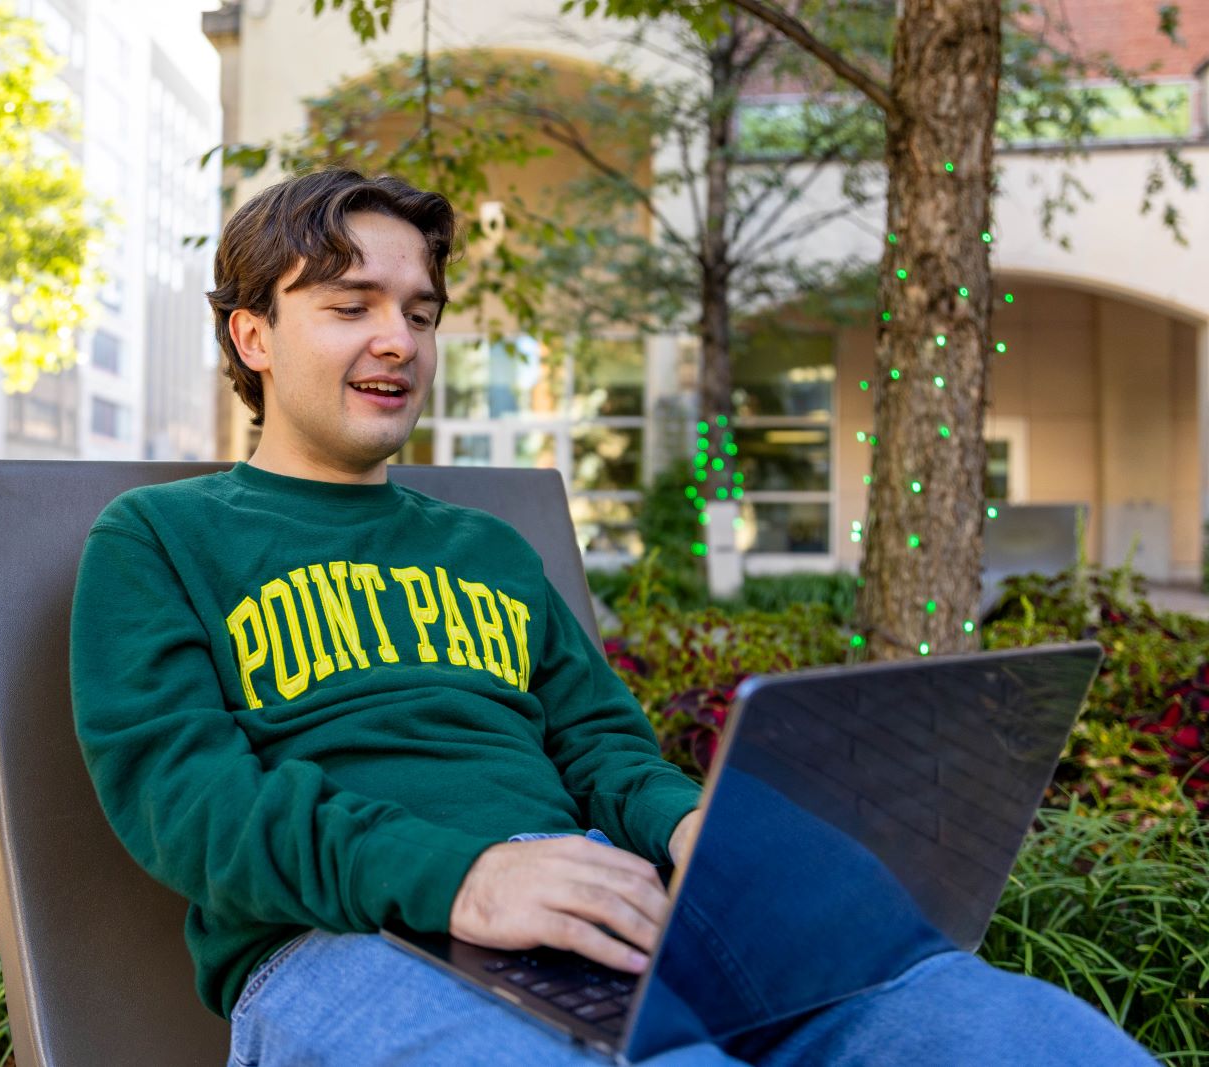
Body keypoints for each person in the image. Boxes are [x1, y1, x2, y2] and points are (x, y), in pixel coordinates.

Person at [69, 169, 1153, 1066]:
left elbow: (600, 747)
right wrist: (467, 877)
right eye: (350, 306)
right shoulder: (160, 537)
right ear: (253, 335)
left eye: (419, 310)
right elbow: (186, 800)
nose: (398, 338)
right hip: (341, 940)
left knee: (1002, 1027)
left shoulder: (484, 549)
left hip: (589, 900)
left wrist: (697, 832)